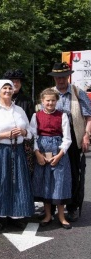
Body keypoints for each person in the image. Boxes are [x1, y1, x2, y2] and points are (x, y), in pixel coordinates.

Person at [0, 79, 34, 230]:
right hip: (1, 152)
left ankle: (16, 216)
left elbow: (30, 132)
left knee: (18, 184)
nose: (8, 91)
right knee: (2, 183)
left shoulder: (19, 111)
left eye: (10, 88)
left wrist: (23, 132)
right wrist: (4, 135)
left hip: (18, 151)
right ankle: (0, 217)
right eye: (5, 88)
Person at [48, 62, 91, 222]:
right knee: (51, 173)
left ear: (68, 76)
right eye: (57, 77)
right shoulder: (49, 93)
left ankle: (72, 207)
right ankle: (51, 207)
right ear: (54, 78)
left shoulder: (77, 92)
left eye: (63, 76)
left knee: (73, 173)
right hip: (53, 137)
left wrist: (86, 135)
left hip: (73, 137)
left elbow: (88, 116)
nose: (60, 80)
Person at [30, 88, 72, 229]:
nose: (50, 103)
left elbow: (67, 138)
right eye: (47, 100)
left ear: (56, 101)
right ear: (42, 101)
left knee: (60, 183)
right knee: (45, 183)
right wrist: (38, 154)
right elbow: (33, 136)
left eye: (53, 100)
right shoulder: (36, 116)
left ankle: (61, 216)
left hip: (58, 151)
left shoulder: (63, 116)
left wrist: (60, 155)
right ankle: (48, 215)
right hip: (42, 151)